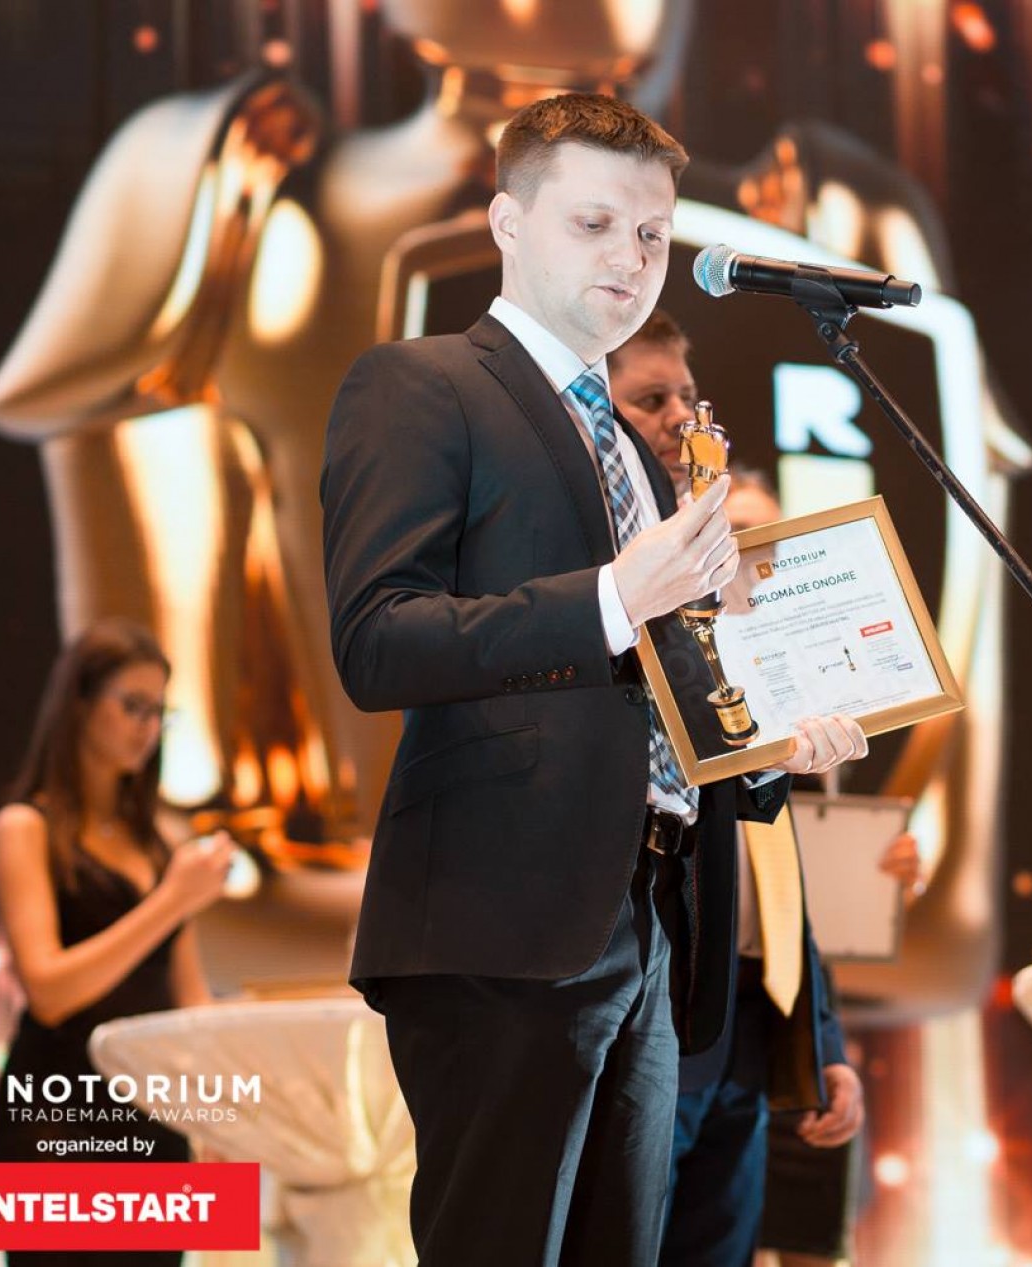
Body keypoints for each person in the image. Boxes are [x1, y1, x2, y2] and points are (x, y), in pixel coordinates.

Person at [320, 93, 870, 1266]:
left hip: (656, 916)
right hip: (503, 911)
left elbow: (666, 692)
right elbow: (378, 638)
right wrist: (614, 594)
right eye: (594, 223)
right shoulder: (420, 384)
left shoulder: (633, 452)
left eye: (651, 232)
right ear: (508, 224)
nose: (630, 255)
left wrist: (768, 748)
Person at [610, 318, 924, 1267]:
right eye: (742, 538)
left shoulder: (797, 718)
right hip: (660, 1005)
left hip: (756, 1020)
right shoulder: (649, 654)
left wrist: (824, 1042)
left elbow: (790, 899)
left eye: (781, 543)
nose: (763, 561)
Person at [0, 618, 234, 1267]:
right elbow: (49, 990)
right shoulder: (24, 827)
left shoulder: (159, 843)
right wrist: (171, 900)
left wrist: (219, 1116)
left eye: (159, 712)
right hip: (55, 1113)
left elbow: (188, 999)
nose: (147, 727)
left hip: (151, 1113)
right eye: (132, 705)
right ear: (80, 703)